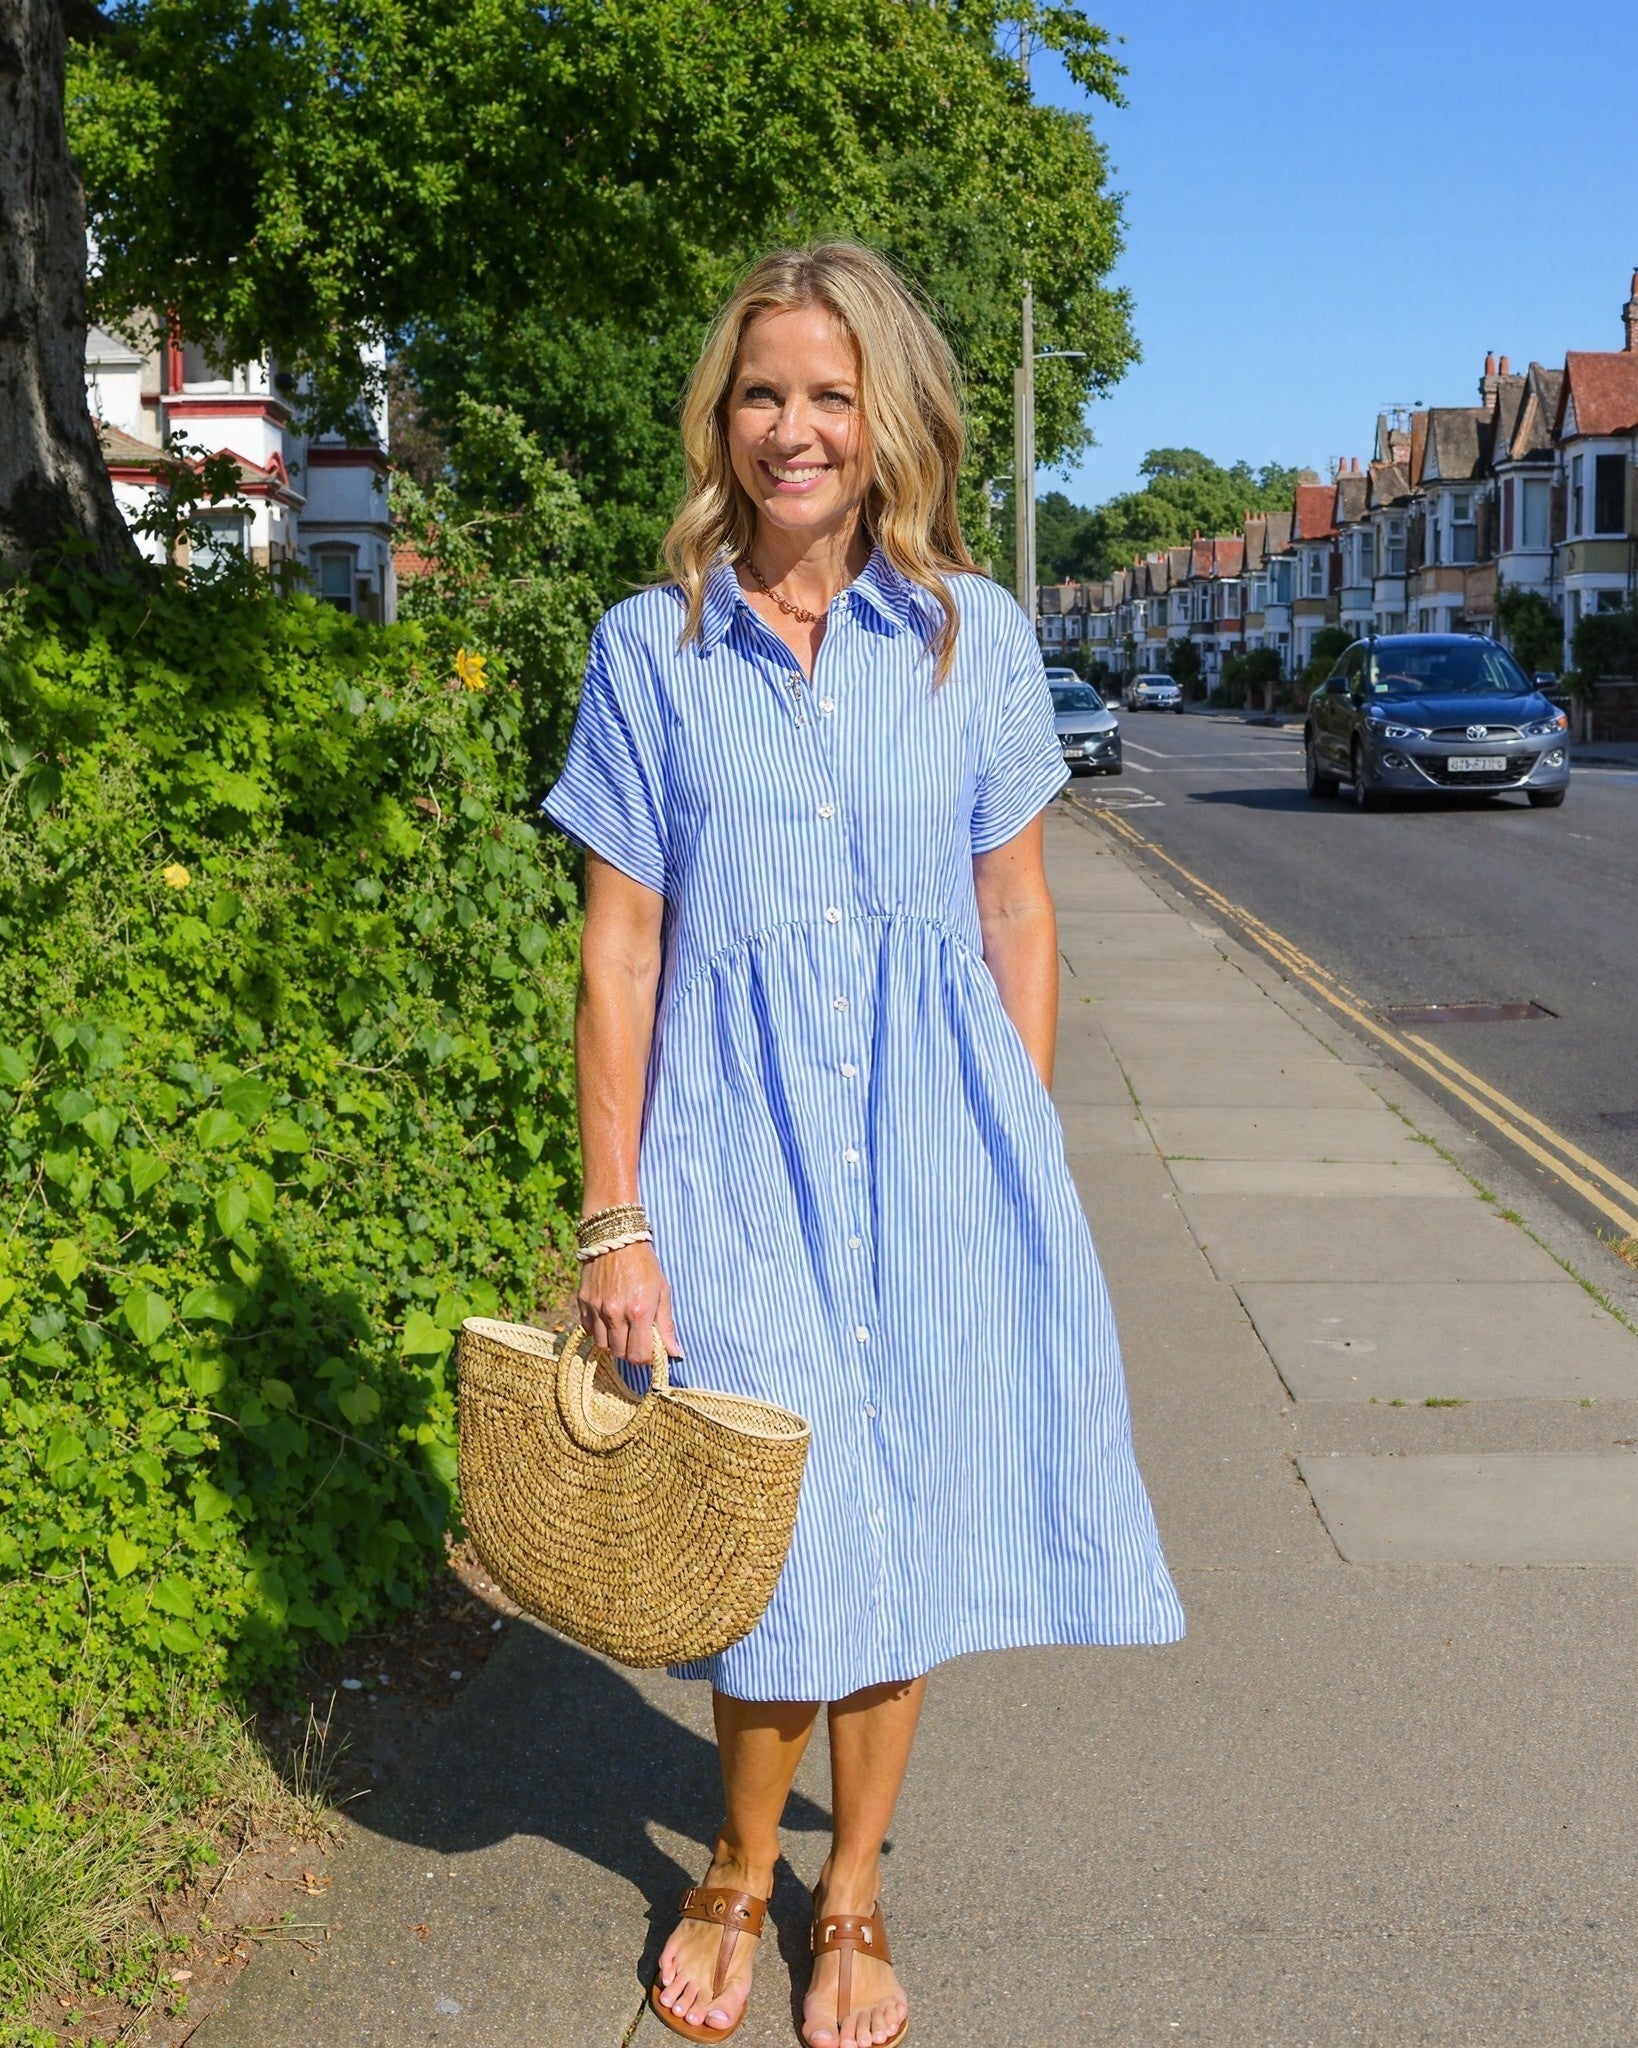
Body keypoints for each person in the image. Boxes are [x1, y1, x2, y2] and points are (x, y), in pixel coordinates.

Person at [544, 242, 1183, 2048]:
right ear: (720, 419)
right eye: (761, 393)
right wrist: (613, 1220)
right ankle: (738, 1865)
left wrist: (1013, 1150)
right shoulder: (652, 649)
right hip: (731, 1158)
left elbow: (1016, 914)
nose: (793, 429)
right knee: (776, 1525)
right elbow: (620, 950)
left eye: (829, 394)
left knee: (895, 1525)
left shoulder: (976, 639)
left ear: (888, 418)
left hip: (938, 1161)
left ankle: (856, 1891)